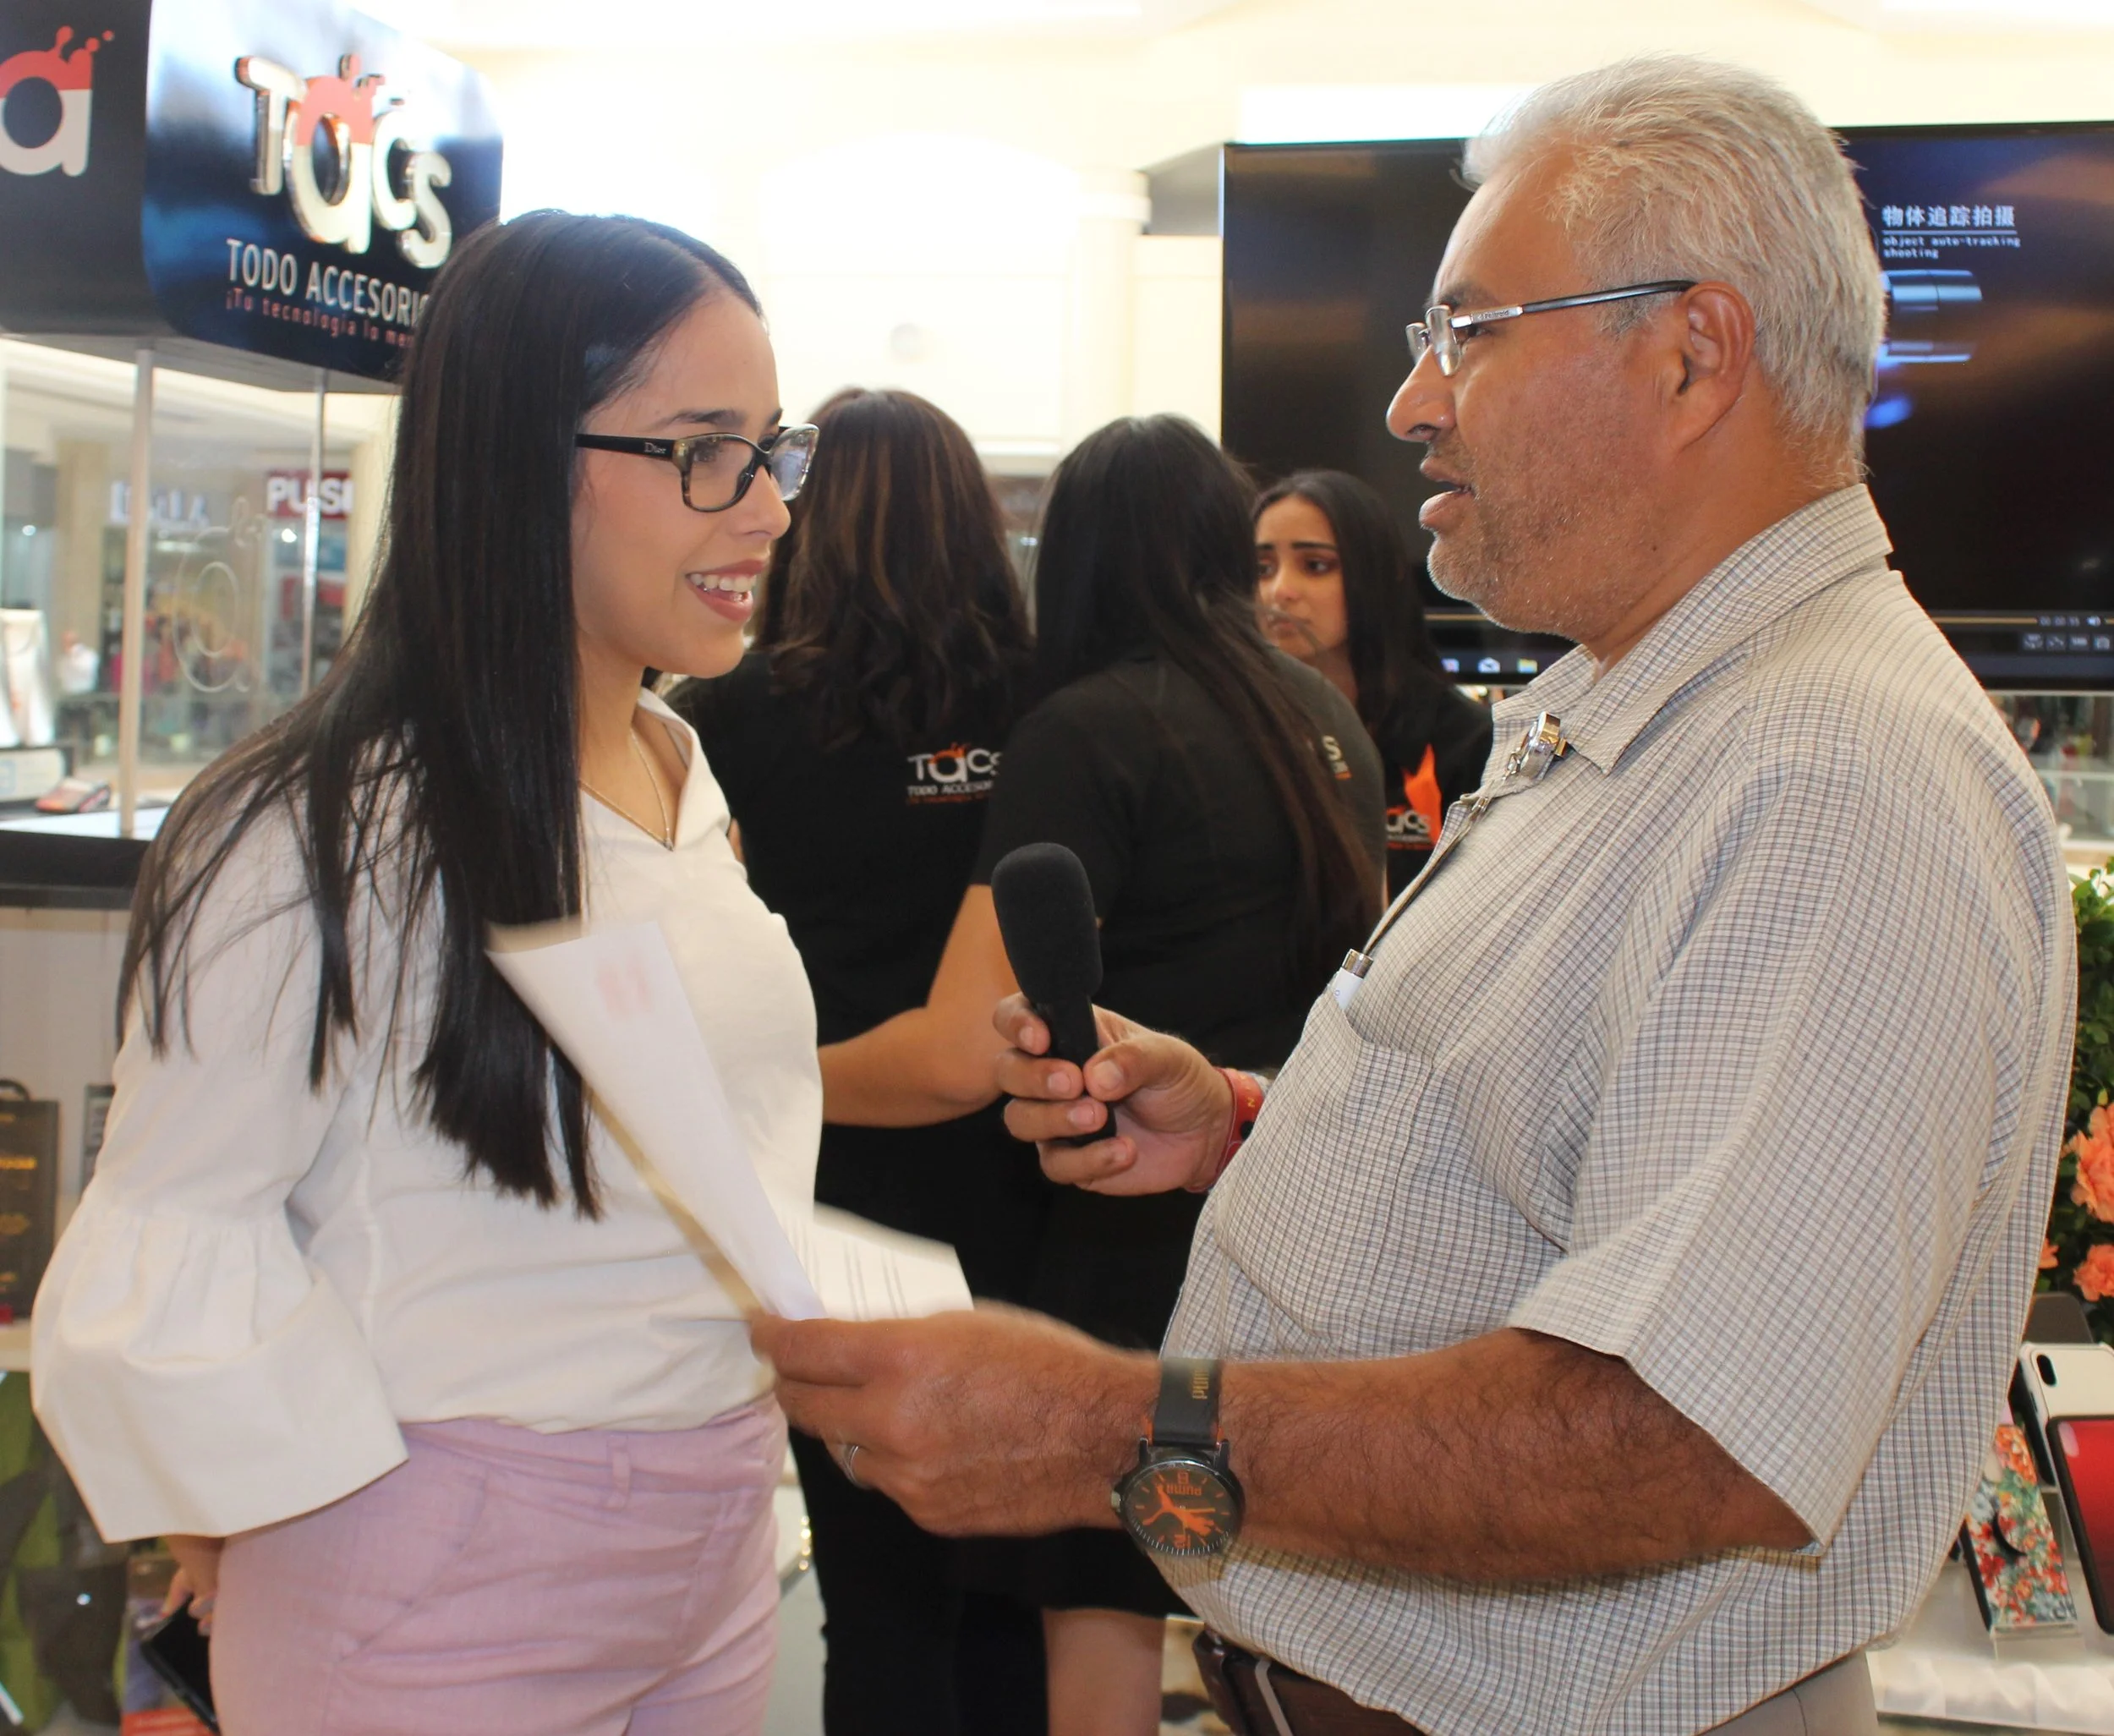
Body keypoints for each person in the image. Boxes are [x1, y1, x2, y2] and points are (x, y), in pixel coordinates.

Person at [753, 56, 2074, 1736]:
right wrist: (1245, 1125)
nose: (1410, 403)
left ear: (1692, 353)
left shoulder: (1827, 773)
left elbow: (1685, 1436)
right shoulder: (1663, 713)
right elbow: (1575, 1154)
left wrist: (1096, 1426)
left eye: (1469, 332)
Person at [32, 211, 822, 1736]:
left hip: (713, 1534)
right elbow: (175, 1223)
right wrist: (248, 1506)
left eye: (771, 449)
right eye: (705, 453)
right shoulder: (319, 824)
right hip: (435, 1558)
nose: (768, 509)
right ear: (522, 459)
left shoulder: (676, 761)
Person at [819, 412, 1383, 1736]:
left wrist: (763, 1073)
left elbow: (967, 1044)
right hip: (1299, 1213)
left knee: (1103, 1623)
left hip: (1131, 1243)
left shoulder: (1086, 732)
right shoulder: (1324, 717)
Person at [669, 385, 1051, 1736]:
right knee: (1012, 1589)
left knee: (877, 1592)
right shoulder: (1044, 704)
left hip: (822, 1190)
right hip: (1022, 1176)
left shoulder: (728, 716)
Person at [1255, 470, 1492, 898]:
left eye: (1316, 566)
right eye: (1262, 568)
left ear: (1379, 575)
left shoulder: (1466, 742)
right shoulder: (1232, 726)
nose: (1280, 590)